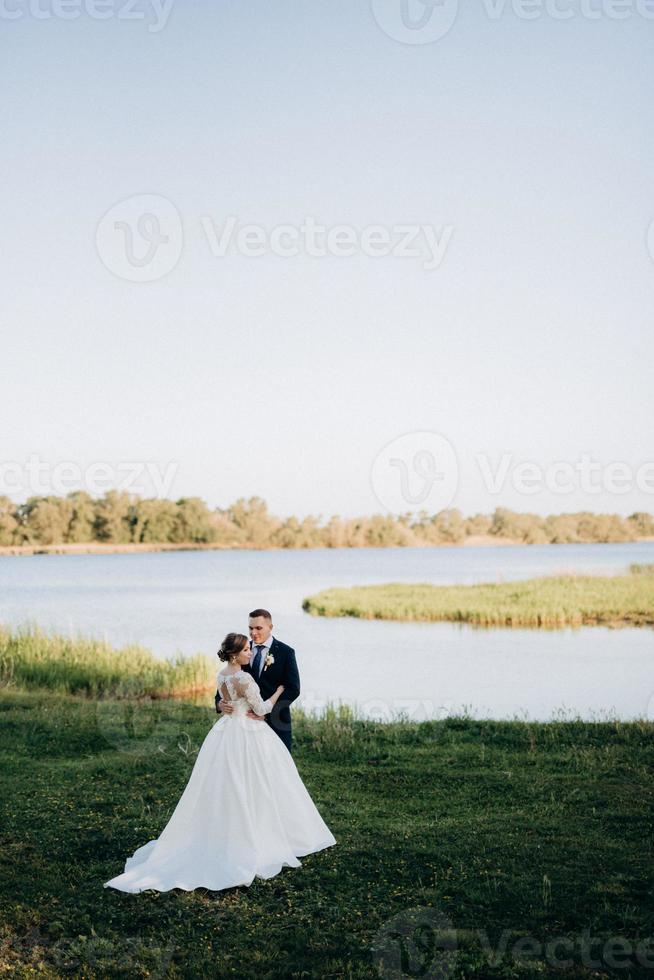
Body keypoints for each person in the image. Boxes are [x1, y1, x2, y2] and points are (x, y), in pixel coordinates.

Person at [104, 632, 335, 893]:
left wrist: (230, 704)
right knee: (257, 780)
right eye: (247, 649)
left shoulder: (222, 674)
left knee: (227, 783)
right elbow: (260, 710)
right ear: (236, 654)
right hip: (248, 733)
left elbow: (226, 700)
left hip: (226, 731)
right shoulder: (244, 677)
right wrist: (278, 692)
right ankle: (258, 834)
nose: (251, 651)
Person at [215, 608, 299, 753]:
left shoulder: (286, 652)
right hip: (243, 726)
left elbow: (293, 689)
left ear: (270, 627)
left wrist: (265, 713)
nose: (253, 633)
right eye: (250, 628)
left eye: (258, 628)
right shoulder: (241, 650)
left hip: (276, 721)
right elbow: (228, 680)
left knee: (278, 765)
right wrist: (219, 703)